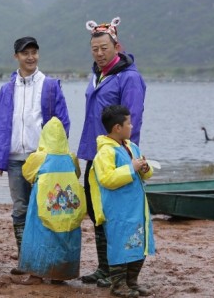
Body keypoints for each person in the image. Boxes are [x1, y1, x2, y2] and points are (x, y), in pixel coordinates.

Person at [0, 36, 70, 274]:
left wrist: (57, 156)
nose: (31, 57)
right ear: (17, 56)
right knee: (20, 209)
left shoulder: (50, 85)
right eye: (25, 53)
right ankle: (26, 261)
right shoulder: (6, 89)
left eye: (34, 52)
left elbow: (62, 122)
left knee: (46, 208)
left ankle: (47, 260)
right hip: (14, 159)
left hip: (42, 160)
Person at [78, 17, 147, 288]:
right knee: (98, 213)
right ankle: (104, 268)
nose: (99, 53)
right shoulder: (97, 75)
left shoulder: (129, 78)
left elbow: (134, 119)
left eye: (104, 47)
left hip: (116, 156)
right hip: (93, 154)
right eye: (94, 48)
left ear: (117, 46)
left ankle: (118, 272)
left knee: (117, 216)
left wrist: (129, 154)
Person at [90, 105, 154, 297]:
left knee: (139, 242)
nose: (132, 126)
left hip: (136, 208)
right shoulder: (105, 152)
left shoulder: (131, 146)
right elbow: (106, 179)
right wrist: (131, 168)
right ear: (117, 127)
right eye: (129, 123)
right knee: (119, 245)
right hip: (118, 210)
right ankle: (117, 285)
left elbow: (145, 175)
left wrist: (144, 168)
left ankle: (131, 282)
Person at [14, 117, 86, 285]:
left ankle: (36, 274)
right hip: (67, 207)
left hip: (44, 205)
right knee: (64, 236)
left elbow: (27, 173)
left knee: (39, 235)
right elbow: (77, 174)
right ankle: (59, 274)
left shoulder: (39, 157)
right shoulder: (71, 157)